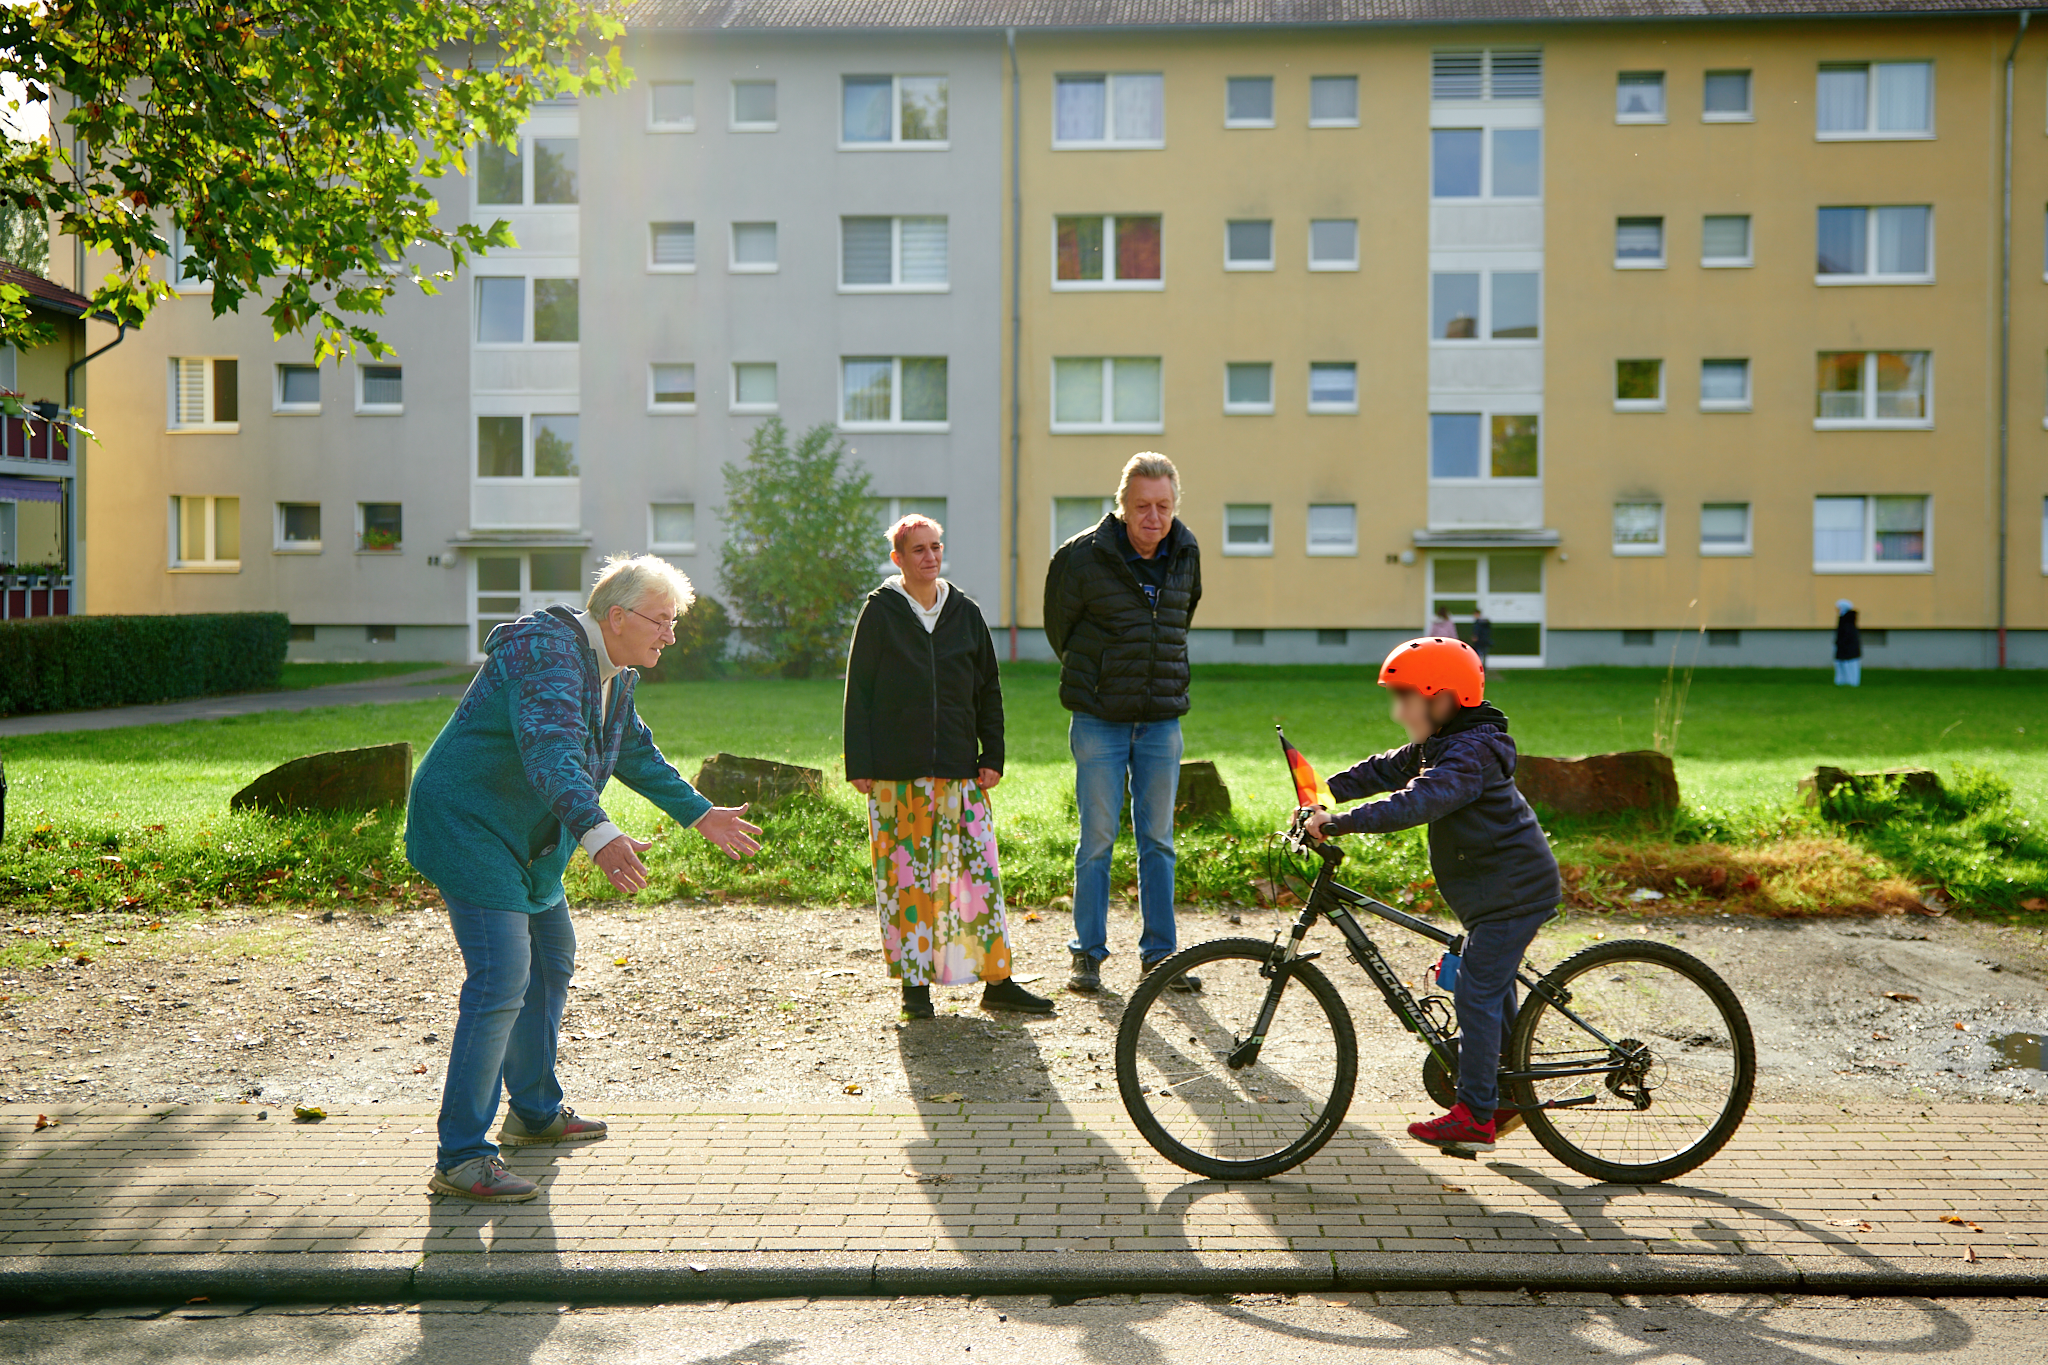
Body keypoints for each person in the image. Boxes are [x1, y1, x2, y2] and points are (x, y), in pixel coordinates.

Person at [407, 554, 764, 1202]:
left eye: (674, 623)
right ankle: (461, 1155)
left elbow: (631, 749)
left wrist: (700, 811)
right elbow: (551, 751)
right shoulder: (548, 651)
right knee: (502, 976)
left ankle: (534, 1112)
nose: (672, 635)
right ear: (618, 616)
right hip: (469, 826)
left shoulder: (614, 672)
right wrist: (600, 837)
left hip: (528, 837)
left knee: (551, 957)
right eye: (663, 620)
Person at [1303, 636, 1561, 1153]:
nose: (1398, 711)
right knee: (1489, 985)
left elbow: (1417, 801)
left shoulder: (1469, 754)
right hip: (1493, 895)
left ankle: (1476, 1115)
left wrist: (1340, 825)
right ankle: (1506, 1091)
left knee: (1476, 991)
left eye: (1406, 697)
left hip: (1513, 894)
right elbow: (1383, 769)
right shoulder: (1440, 743)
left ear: (1444, 699)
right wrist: (1323, 794)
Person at [843, 514, 1053, 1020]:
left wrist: (993, 755)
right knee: (907, 885)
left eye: (936, 547)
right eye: (918, 550)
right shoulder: (880, 613)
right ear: (898, 559)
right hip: (897, 775)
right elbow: (860, 692)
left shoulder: (966, 613)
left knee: (976, 880)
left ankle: (996, 980)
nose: (930, 557)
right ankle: (916, 991)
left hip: (960, 772)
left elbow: (988, 690)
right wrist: (860, 762)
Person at [1042, 452, 1202, 995]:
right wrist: (1104, 677)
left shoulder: (1187, 551)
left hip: (1161, 721)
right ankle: (1086, 954)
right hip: (1099, 721)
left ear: (1174, 504)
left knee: (1158, 840)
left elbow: (1182, 617)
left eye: (1163, 506)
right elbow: (1058, 629)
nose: (1153, 517)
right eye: (1142, 507)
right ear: (1123, 506)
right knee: (1098, 839)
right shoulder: (1080, 556)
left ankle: (1160, 956)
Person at [1834, 599, 1861, 687]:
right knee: (1841, 664)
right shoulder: (1844, 619)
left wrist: (1842, 643)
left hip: (1848, 647)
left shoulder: (1847, 621)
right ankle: (1842, 681)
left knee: (1850, 665)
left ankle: (1852, 682)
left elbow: (1847, 635)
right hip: (1843, 646)